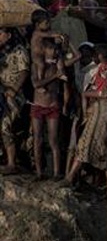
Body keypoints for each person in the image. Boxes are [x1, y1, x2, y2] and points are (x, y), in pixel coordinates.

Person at [64, 43, 107, 200]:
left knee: (86, 143)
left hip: (102, 110)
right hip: (105, 110)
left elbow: (104, 92)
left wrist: (87, 94)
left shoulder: (105, 68)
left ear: (99, 55)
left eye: (94, 54)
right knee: (105, 148)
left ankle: (70, 178)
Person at [30, 38, 73, 179]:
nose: (54, 52)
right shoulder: (37, 65)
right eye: (51, 49)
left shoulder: (57, 64)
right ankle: (39, 172)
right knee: (37, 139)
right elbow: (36, 84)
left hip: (52, 106)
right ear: (44, 49)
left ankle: (56, 172)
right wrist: (55, 76)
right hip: (38, 105)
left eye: (55, 49)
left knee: (53, 140)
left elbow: (64, 77)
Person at [0, 27, 30, 174]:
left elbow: (24, 72)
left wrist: (14, 89)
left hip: (14, 94)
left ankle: (12, 163)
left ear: (9, 35)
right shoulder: (2, 52)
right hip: (1, 92)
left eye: (0, 34)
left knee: (5, 126)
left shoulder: (19, 50)